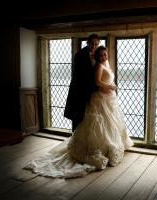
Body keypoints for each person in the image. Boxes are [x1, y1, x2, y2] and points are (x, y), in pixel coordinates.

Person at [23, 46, 133, 178]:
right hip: (100, 99)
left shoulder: (106, 64)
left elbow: (107, 78)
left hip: (109, 99)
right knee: (98, 124)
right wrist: (110, 86)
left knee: (112, 123)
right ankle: (99, 148)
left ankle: (112, 146)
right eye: (101, 55)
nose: (104, 57)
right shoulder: (98, 66)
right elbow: (97, 82)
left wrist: (112, 85)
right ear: (97, 57)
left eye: (105, 54)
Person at [64, 34, 100, 131]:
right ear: (87, 43)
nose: (93, 46)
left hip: (92, 92)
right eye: (92, 44)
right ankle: (75, 142)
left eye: (96, 44)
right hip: (79, 91)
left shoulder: (98, 55)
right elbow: (78, 76)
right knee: (78, 119)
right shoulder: (79, 55)